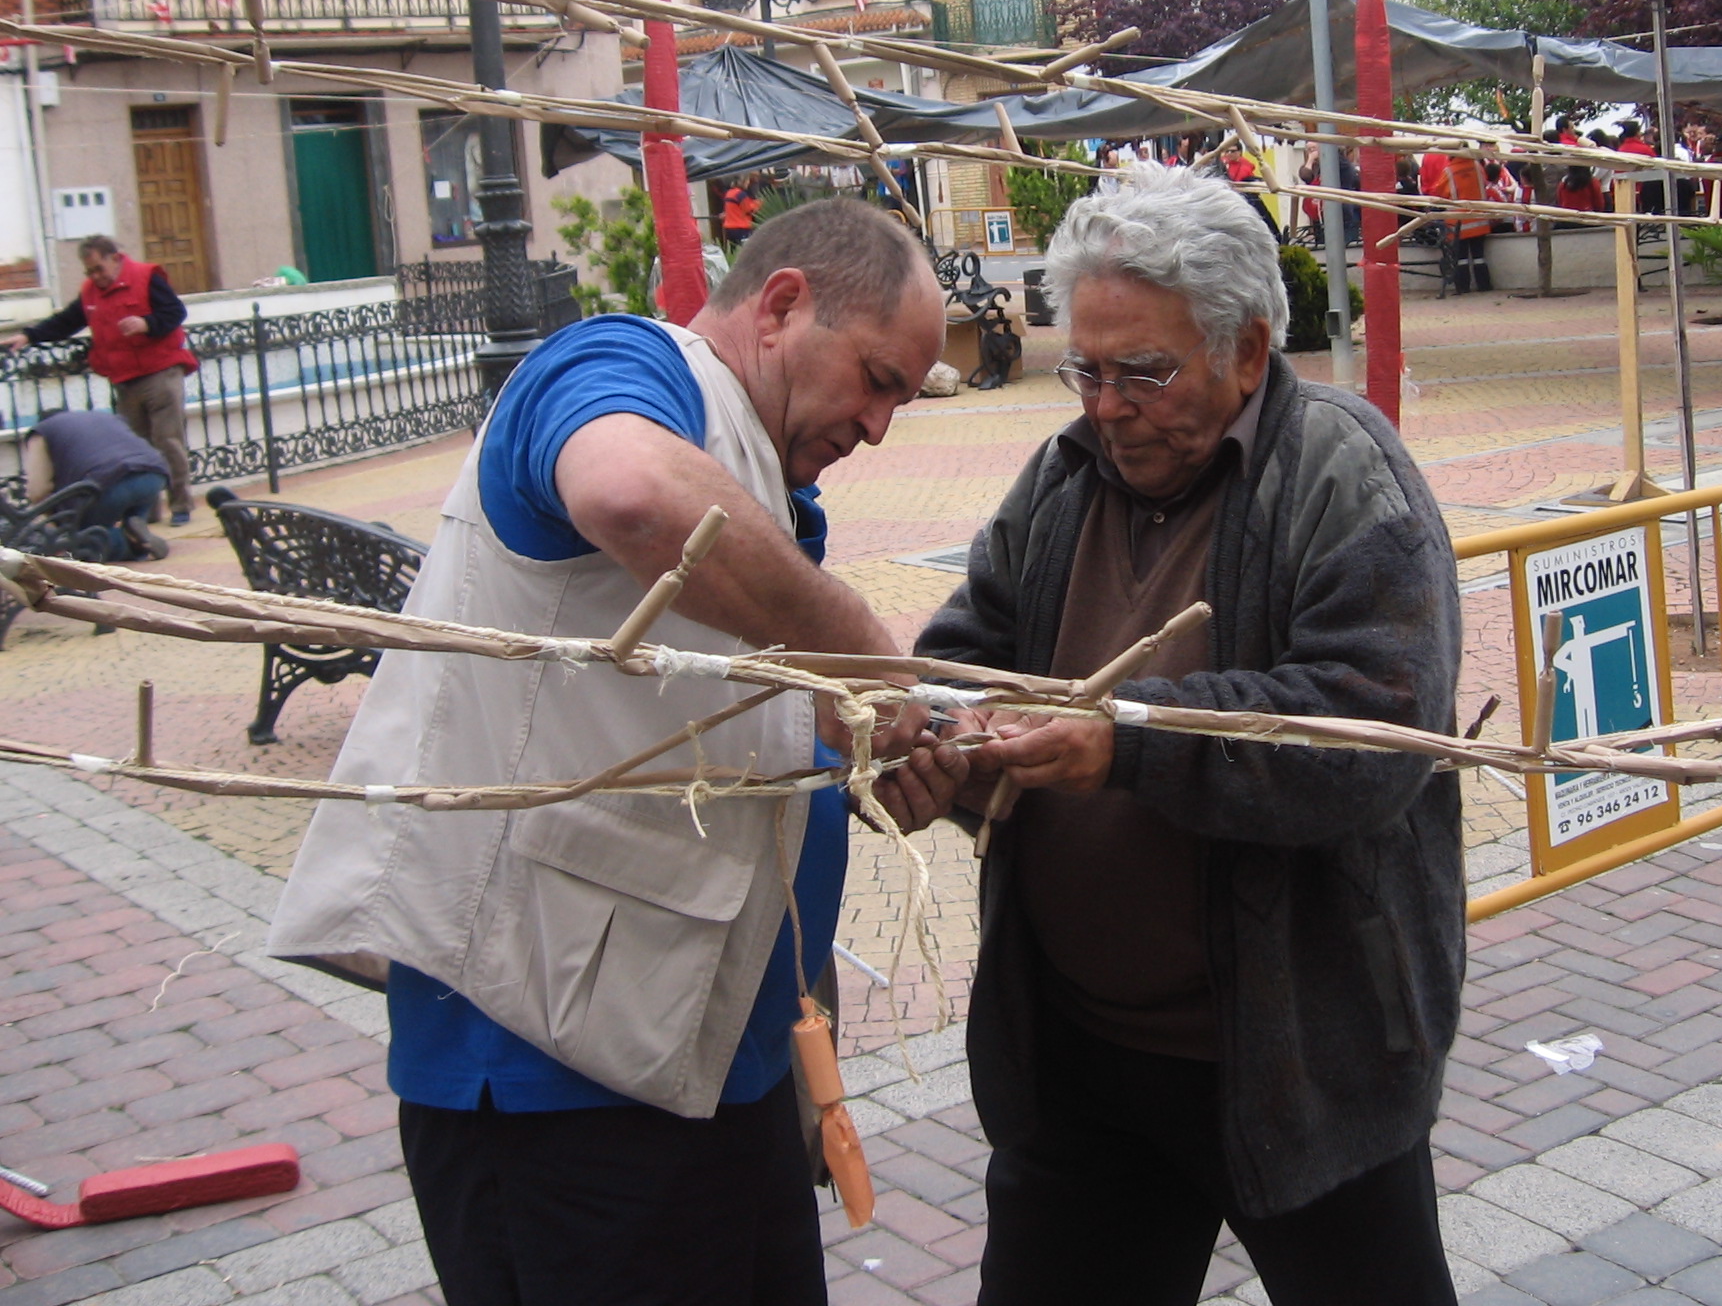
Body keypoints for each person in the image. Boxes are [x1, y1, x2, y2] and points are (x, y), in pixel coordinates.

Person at [268, 197, 968, 1306]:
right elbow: (629, 491)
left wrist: (868, 767)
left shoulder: (766, 485)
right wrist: (863, 659)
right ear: (781, 306)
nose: (880, 426)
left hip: (718, 1062)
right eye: (877, 379)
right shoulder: (617, 362)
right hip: (557, 1086)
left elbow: (720, 731)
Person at [917, 169, 1464, 1306]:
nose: (1107, 406)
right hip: (1080, 1055)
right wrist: (941, 738)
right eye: (1086, 370)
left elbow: (1373, 729)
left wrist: (1126, 742)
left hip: (1302, 1057)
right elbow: (965, 646)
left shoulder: (1343, 474)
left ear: (1247, 351)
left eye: (1144, 372)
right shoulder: (1066, 473)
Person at [6, 235, 197, 526]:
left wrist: (146, 323)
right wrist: (29, 336)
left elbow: (174, 312)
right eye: (90, 271)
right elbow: (67, 321)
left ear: (115, 258)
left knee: (167, 441)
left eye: (99, 269)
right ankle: (147, 511)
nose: (96, 276)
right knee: (136, 448)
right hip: (125, 378)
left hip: (160, 371)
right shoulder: (91, 292)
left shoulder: (146, 278)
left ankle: (180, 505)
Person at [23, 408, 171, 561]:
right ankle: (138, 533)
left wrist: (50, 517)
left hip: (110, 482)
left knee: (84, 540)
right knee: (132, 518)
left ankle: (129, 544)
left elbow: (38, 490)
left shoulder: (42, 432)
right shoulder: (103, 417)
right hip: (153, 473)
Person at [1419, 150, 1492, 292]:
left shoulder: (1449, 171)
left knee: (1461, 258)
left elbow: (1439, 192)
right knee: (1479, 257)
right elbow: (1485, 184)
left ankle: (1463, 287)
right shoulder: (1477, 166)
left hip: (1458, 223)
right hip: (1479, 219)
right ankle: (1484, 285)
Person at [719, 178, 759, 249]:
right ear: (742, 181)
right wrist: (758, 204)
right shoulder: (741, 194)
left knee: (734, 250)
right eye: (747, 180)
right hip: (741, 228)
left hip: (730, 228)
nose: (748, 183)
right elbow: (749, 210)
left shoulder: (729, 193)